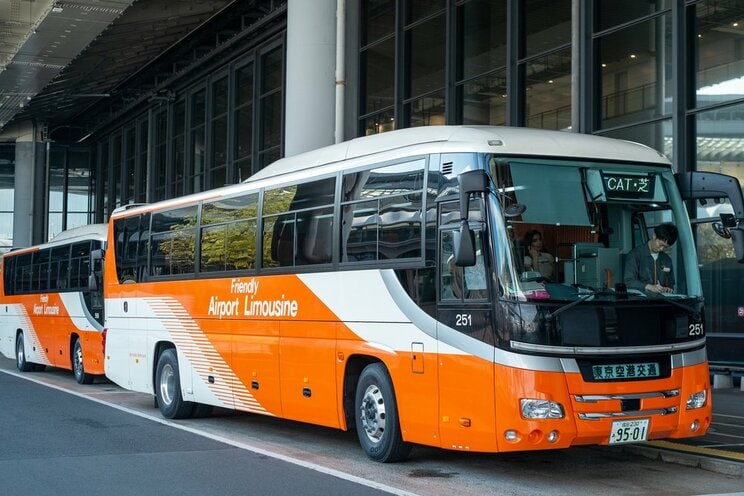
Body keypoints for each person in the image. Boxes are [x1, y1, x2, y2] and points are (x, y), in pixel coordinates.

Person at [623, 223, 678, 293]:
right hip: (640, 301)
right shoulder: (635, 255)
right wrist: (649, 287)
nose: (661, 249)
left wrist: (668, 288)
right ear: (654, 236)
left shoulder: (666, 259)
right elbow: (629, 281)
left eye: (665, 247)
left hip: (663, 301)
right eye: (660, 245)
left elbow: (670, 283)